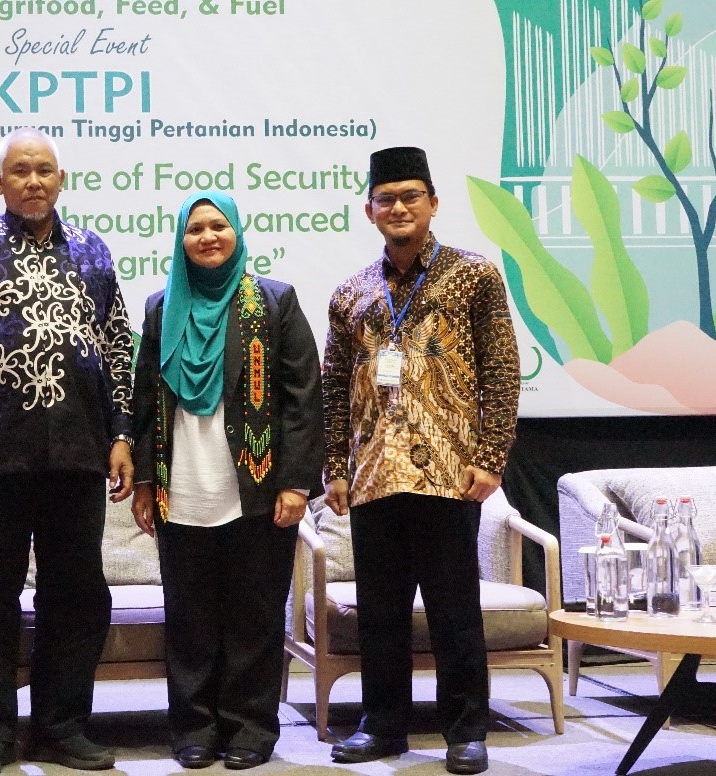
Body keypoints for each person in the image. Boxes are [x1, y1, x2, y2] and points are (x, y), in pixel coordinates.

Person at [0, 127, 134, 776]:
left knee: (76, 596)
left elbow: (116, 346)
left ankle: (62, 728)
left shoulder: (92, 250)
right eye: (20, 170)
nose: (33, 180)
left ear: (60, 179)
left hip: (76, 454)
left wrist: (122, 434)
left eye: (44, 170)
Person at [321, 147, 520, 775]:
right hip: (374, 475)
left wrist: (490, 457)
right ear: (369, 211)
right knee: (380, 615)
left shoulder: (474, 275)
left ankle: (466, 731)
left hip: (447, 473)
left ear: (433, 203)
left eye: (411, 196)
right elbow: (333, 385)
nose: (399, 207)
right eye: (387, 198)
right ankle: (382, 726)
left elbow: (501, 369)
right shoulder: (351, 292)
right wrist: (334, 467)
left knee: (453, 611)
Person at [131, 191, 324, 770]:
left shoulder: (275, 300)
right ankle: (194, 728)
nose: (208, 237)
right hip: (181, 486)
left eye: (218, 226)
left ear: (237, 232)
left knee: (255, 616)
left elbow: (302, 397)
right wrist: (145, 482)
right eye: (195, 229)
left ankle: (250, 729)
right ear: (181, 241)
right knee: (189, 617)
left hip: (257, 488)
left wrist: (296, 482)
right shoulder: (162, 307)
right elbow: (145, 402)